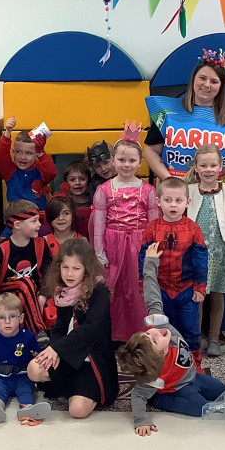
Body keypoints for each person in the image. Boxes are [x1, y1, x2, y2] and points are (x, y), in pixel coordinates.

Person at [116, 243, 225, 437]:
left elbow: (151, 294)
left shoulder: (157, 323)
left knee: (224, 392)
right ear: (159, 354)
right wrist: (141, 420)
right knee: (201, 408)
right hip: (173, 389)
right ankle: (157, 400)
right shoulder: (153, 374)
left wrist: (150, 263)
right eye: (154, 340)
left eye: (148, 334)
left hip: (192, 376)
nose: (156, 333)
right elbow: (137, 395)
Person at [144, 48, 225, 209]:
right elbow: (150, 151)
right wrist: (168, 180)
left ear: (222, 86)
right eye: (202, 78)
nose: (207, 85)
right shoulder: (168, 113)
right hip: (174, 199)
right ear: (193, 80)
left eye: (214, 81)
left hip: (217, 199)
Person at [27, 238, 119, 418]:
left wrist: (58, 349)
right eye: (65, 267)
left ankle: (75, 392)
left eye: (76, 268)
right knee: (33, 369)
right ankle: (71, 390)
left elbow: (89, 330)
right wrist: (53, 349)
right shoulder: (62, 292)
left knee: (77, 412)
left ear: (86, 269)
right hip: (67, 356)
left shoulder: (98, 292)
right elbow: (58, 328)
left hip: (91, 362)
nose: (69, 274)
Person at [91, 127, 159, 342]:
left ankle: (141, 332)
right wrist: (99, 252)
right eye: (122, 160)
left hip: (139, 244)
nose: (126, 165)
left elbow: (154, 224)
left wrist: (154, 249)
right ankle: (113, 334)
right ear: (113, 160)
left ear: (140, 162)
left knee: (138, 288)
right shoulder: (104, 190)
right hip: (114, 243)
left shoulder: (148, 190)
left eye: (132, 160)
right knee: (114, 288)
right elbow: (99, 224)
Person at [138, 177, 208, 370]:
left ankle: (195, 365)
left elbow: (201, 259)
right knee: (162, 330)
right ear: (159, 202)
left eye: (178, 200)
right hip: (160, 289)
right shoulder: (151, 228)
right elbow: (144, 257)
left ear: (187, 202)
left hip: (186, 290)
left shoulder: (193, 229)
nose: (173, 205)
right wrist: (144, 283)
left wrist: (200, 286)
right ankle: (166, 365)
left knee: (190, 330)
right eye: (168, 200)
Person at [185, 144, 225, 356]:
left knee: (217, 295)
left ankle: (213, 337)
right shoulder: (189, 192)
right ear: (196, 167)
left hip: (220, 253)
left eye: (213, 165)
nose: (208, 169)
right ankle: (195, 337)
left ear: (221, 166)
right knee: (197, 295)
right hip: (195, 254)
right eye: (204, 165)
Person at [0, 200, 51, 341]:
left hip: (32, 292)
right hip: (8, 292)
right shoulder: (3, 247)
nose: (39, 225)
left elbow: (49, 271)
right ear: (17, 225)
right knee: (25, 282)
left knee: (26, 287)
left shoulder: (41, 244)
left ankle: (23, 337)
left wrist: (43, 295)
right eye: (34, 221)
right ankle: (37, 330)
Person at [0, 293, 51, 424]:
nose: (7, 321)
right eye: (2, 318)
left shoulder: (28, 336)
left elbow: (40, 355)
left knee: (26, 390)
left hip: (22, 376)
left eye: (12, 316)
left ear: (21, 318)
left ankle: (27, 409)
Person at [0, 116, 57, 211]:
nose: (23, 157)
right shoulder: (10, 171)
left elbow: (51, 173)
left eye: (28, 153)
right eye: (18, 152)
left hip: (38, 216)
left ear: (36, 154)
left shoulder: (40, 170)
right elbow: (0, 156)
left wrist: (41, 153)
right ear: (13, 152)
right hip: (16, 217)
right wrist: (8, 132)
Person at [62, 160, 91, 236]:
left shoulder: (94, 200)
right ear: (66, 182)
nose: (77, 183)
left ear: (88, 180)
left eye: (82, 179)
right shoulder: (63, 202)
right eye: (72, 180)